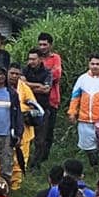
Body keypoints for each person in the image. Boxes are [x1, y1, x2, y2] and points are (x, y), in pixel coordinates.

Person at [7, 66, 44, 190]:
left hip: (23, 128)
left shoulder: (24, 88)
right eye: (11, 73)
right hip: (4, 126)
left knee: (21, 157)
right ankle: (1, 182)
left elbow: (35, 106)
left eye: (17, 74)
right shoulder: (0, 87)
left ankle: (16, 184)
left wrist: (21, 109)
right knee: (3, 156)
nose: (14, 76)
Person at [32, 32, 64, 162]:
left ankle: (44, 159)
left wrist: (43, 77)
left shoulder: (55, 58)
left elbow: (56, 75)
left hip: (52, 100)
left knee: (48, 131)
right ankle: (34, 157)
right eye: (40, 44)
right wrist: (42, 81)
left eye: (45, 44)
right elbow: (25, 78)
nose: (42, 47)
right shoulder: (34, 58)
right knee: (35, 131)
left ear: (50, 45)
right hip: (35, 100)